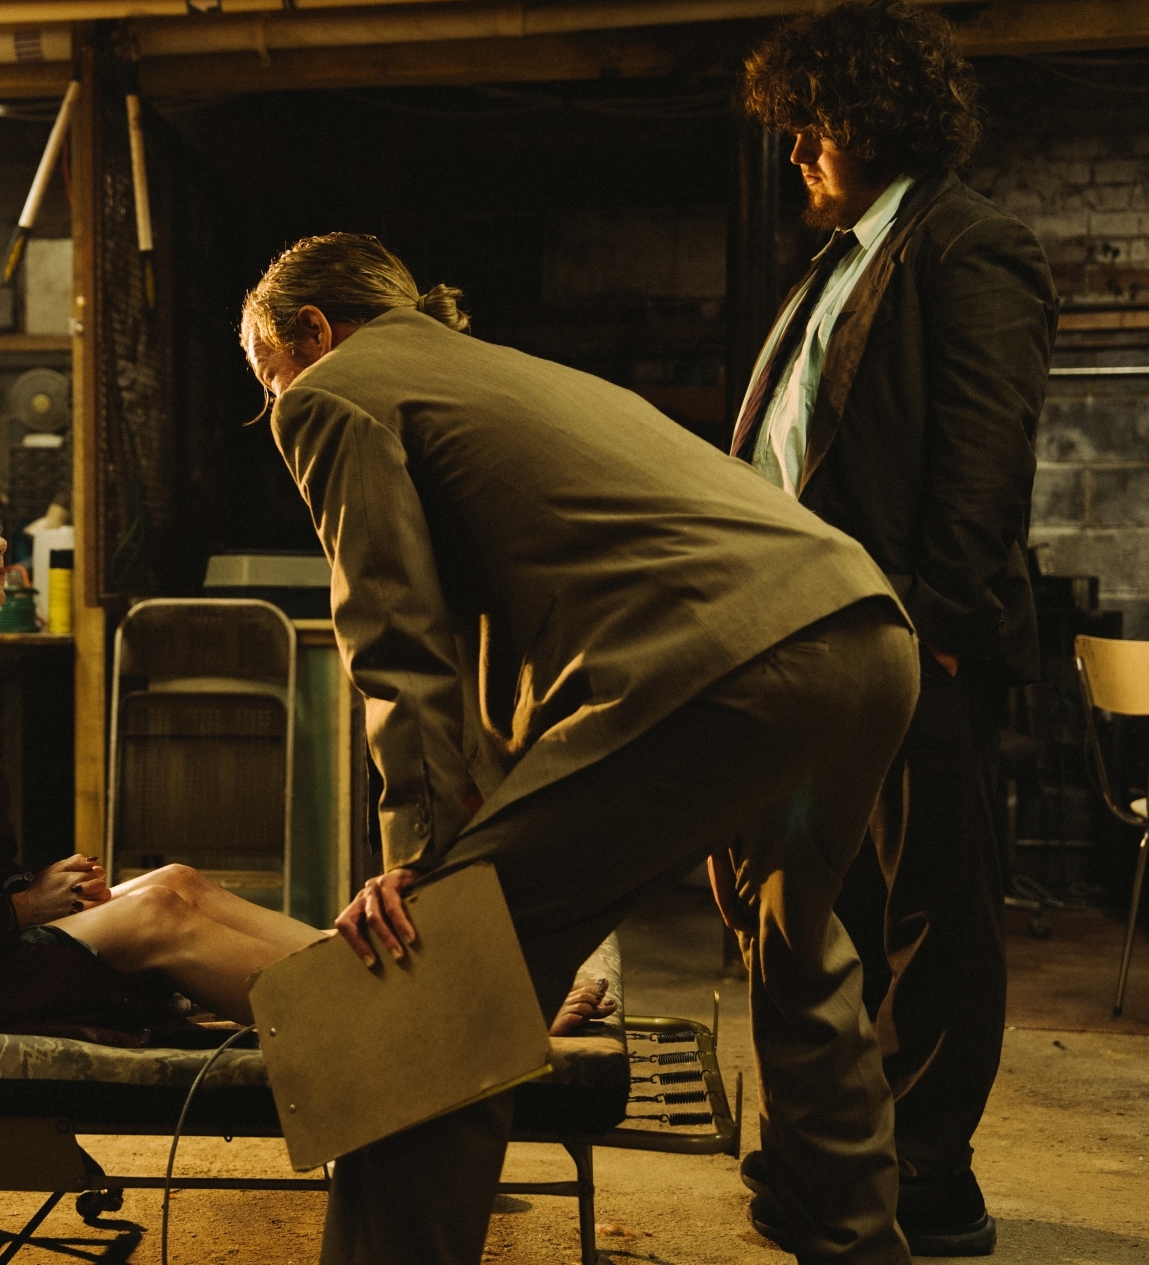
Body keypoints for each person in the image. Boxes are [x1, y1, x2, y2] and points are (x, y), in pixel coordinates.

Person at [241, 232, 924, 1264]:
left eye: (270, 376)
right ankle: (850, 1231)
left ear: (313, 330)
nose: (276, 402)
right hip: (860, 633)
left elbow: (393, 630)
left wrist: (423, 862)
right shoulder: (502, 372)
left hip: (724, 662)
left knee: (437, 981)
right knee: (797, 945)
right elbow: (516, 625)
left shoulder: (336, 390)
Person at [0, 462, 623, 1042]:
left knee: (177, 882)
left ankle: (430, 989)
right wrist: (23, 907)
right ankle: (439, 1028)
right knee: (154, 921)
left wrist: (32, 896)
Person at [737, 3, 1056, 1255]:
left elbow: (986, 458)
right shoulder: (842, 259)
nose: (797, 148)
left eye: (811, 123)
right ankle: (837, 1155)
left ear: (873, 117)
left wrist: (944, 631)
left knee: (933, 918)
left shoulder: (968, 244)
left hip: (914, 645)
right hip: (815, 644)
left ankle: (930, 1178)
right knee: (825, 914)